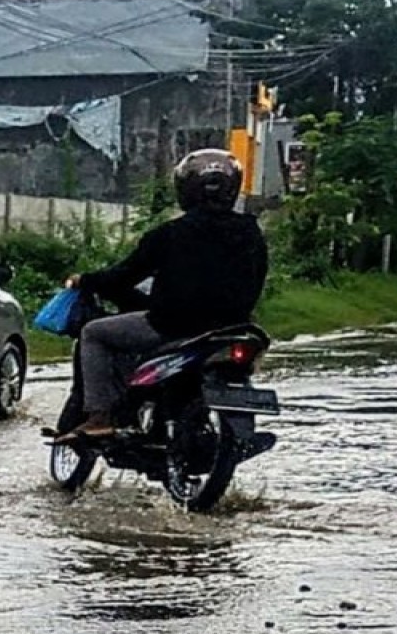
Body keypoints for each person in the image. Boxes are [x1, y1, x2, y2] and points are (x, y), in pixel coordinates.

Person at [52, 149, 269, 445]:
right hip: (233, 329)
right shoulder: (251, 231)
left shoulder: (169, 234)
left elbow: (122, 277)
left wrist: (84, 281)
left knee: (93, 333)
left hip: (172, 327)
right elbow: (257, 279)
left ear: (185, 190)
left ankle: (100, 417)